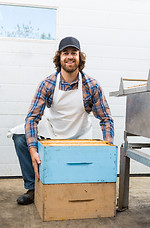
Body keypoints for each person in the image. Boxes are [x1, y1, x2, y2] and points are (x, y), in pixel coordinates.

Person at [11, 36, 114, 205]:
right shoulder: (48, 84)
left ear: (80, 57)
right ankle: (32, 188)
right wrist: (33, 151)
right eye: (65, 53)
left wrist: (108, 149)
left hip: (81, 137)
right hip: (53, 134)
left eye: (74, 52)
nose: (70, 56)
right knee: (20, 137)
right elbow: (32, 118)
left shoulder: (91, 85)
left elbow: (106, 118)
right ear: (59, 58)